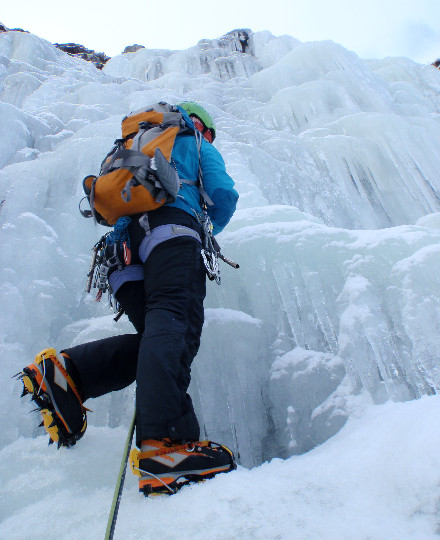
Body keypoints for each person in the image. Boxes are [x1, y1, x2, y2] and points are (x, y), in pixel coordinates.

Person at [19, 101, 239, 495]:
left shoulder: (135, 145)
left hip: (121, 256)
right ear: (199, 125)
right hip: (171, 237)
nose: (209, 138)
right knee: (176, 326)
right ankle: (164, 445)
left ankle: (69, 374)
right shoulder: (195, 142)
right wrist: (206, 227)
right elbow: (223, 196)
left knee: (157, 337)